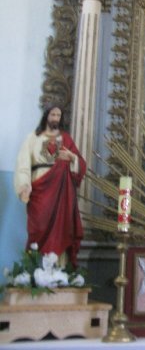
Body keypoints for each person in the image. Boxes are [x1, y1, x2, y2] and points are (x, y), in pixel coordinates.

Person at [14, 104, 86, 267]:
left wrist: (72, 158)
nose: (55, 118)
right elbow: (23, 165)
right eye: (53, 115)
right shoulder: (33, 138)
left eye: (58, 116)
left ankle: (59, 269)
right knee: (38, 227)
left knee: (61, 228)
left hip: (61, 192)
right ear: (46, 116)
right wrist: (24, 185)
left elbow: (81, 164)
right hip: (39, 189)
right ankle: (35, 268)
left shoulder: (66, 139)